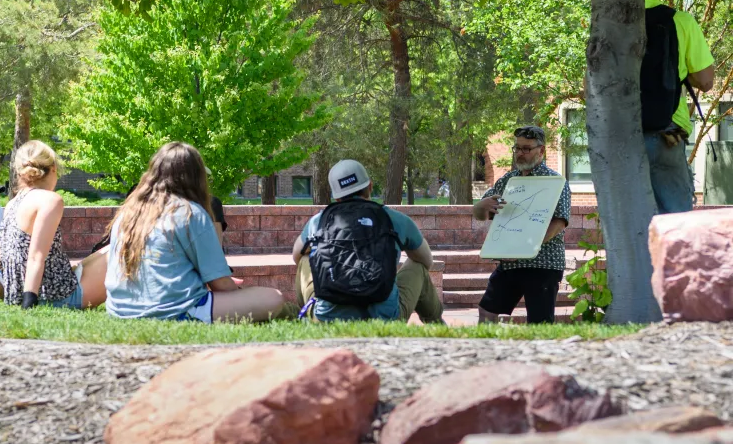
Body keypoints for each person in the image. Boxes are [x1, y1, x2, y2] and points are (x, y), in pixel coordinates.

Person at [105, 142, 284, 322]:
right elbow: (221, 285)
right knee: (273, 297)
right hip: (175, 310)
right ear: (195, 177)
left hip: (119, 310)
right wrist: (240, 295)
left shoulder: (127, 213)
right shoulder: (189, 213)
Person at [292, 159, 443, 324]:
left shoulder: (318, 221)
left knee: (305, 260)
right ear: (370, 186)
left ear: (336, 197)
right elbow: (426, 260)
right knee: (417, 266)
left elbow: (296, 255)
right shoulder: (395, 219)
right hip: (386, 318)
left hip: (328, 318)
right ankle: (436, 324)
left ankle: (306, 319)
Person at [0, 140, 108, 309]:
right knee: (121, 250)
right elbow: (36, 256)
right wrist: (29, 303)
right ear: (53, 169)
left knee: (104, 252)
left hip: (17, 296)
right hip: (53, 297)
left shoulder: (12, 204)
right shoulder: (50, 200)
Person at [641, 0, 715, 214]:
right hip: (666, 133)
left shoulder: (609, 20)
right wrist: (681, 71)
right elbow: (707, 81)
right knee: (674, 223)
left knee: (631, 224)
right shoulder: (679, 21)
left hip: (619, 135)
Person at [473, 126, 572, 324]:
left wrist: (527, 248)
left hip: (543, 263)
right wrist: (481, 206)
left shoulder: (555, 182)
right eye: (517, 148)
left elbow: (559, 223)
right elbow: (481, 215)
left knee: (539, 322)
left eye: (526, 149)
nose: (520, 153)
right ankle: (487, 350)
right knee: (487, 312)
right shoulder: (508, 181)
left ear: (541, 151)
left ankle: (542, 354)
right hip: (510, 262)